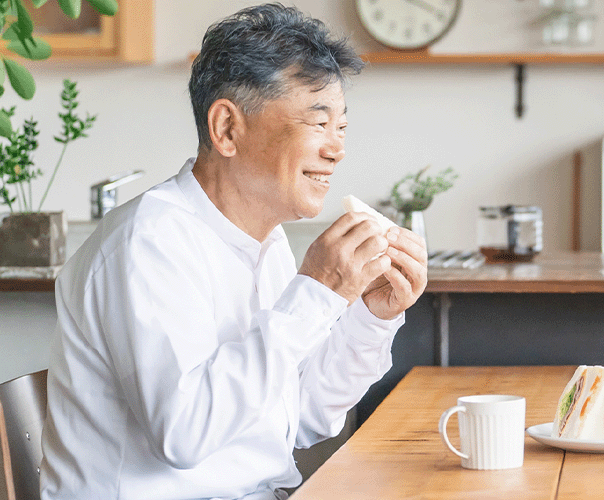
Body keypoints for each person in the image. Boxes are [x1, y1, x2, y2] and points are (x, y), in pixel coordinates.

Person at [40, 4, 428, 498]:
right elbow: (184, 435)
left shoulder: (267, 243)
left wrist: (372, 316)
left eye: (342, 127)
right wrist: (316, 293)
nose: (337, 149)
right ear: (226, 128)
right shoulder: (149, 242)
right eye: (318, 122)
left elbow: (303, 418)